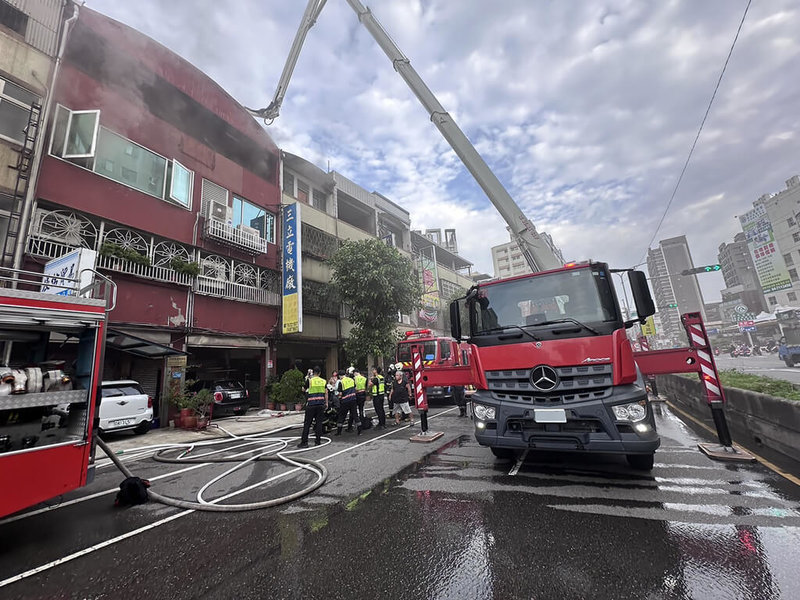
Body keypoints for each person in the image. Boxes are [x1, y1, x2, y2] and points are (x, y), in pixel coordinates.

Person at [297, 366, 327, 448]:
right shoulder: (323, 381)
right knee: (319, 423)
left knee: (307, 424)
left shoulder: (310, 380)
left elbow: (303, 389)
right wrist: (326, 403)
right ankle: (318, 441)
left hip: (311, 404)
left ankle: (304, 442)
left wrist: (307, 378)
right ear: (320, 373)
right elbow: (326, 392)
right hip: (320, 404)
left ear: (313, 372)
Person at [336, 369, 360, 435]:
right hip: (353, 399)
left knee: (342, 416)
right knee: (355, 415)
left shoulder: (341, 382)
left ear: (340, 376)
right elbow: (355, 389)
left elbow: (340, 394)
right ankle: (359, 430)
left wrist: (338, 397)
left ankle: (339, 432)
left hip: (345, 401)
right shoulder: (351, 380)